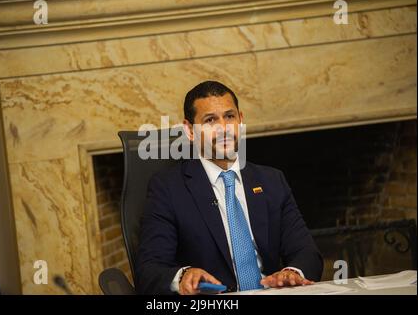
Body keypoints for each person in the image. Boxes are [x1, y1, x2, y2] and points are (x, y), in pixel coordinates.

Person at [135, 81, 323, 295]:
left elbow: (306, 252)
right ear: (189, 130)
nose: (223, 128)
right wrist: (184, 276)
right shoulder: (167, 189)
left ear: (241, 120)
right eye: (210, 120)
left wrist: (291, 271)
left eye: (230, 117)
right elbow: (149, 269)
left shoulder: (272, 180)